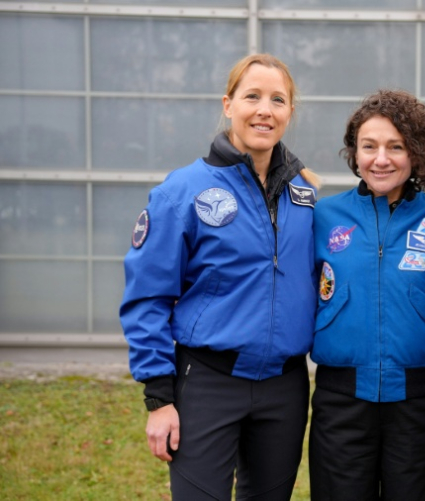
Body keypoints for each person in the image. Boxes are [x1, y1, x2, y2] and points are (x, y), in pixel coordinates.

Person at [119, 53, 320, 500]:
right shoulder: (182, 191)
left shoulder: (304, 196)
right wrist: (159, 397)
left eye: (278, 99)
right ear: (228, 105)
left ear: (290, 112)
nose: (264, 110)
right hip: (208, 382)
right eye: (252, 96)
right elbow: (147, 296)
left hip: (284, 388)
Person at [308, 89, 425, 501]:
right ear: (354, 153)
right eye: (368, 146)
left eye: (396, 146)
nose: (381, 159)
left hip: (421, 403)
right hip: (342, 402)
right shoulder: (324, 217)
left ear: (417, 153)